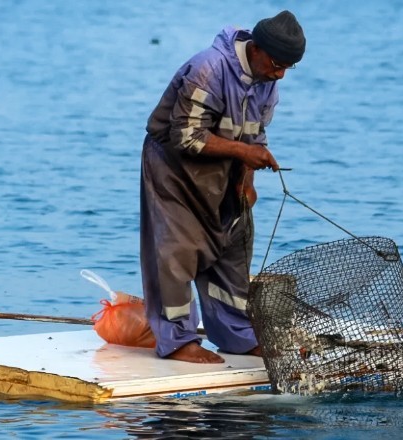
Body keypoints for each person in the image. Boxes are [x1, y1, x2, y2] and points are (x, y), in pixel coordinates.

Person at [140, 11, 306, 363]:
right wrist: (246, 152)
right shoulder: (208, 69)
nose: (279, 75)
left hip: (224, 167)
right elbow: (185, 136)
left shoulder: (268, 80)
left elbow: (255, 136)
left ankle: (237, 335)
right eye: (277, 64)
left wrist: (247, 179)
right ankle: (178, 340)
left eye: (287, 68)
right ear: (256, 49)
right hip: (173, 168)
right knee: (177, 249)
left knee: (234, 244)